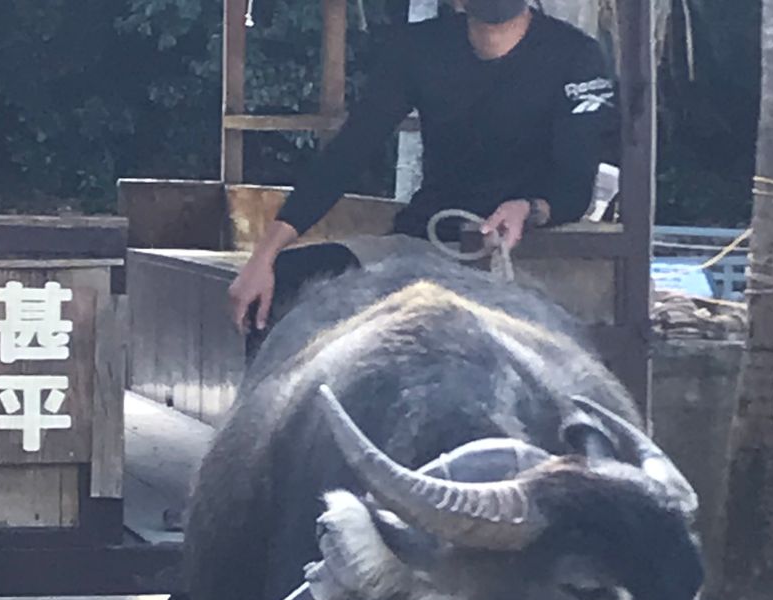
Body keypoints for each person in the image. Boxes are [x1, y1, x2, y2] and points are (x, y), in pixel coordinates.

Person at [228, 0, 620, 347]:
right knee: (283, 282)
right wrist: (265, 256)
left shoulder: (576, 56)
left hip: (530, 253)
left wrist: (529, 209)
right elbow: (346, 154)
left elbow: (575, 185)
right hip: (426, 245)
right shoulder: (418, 48)